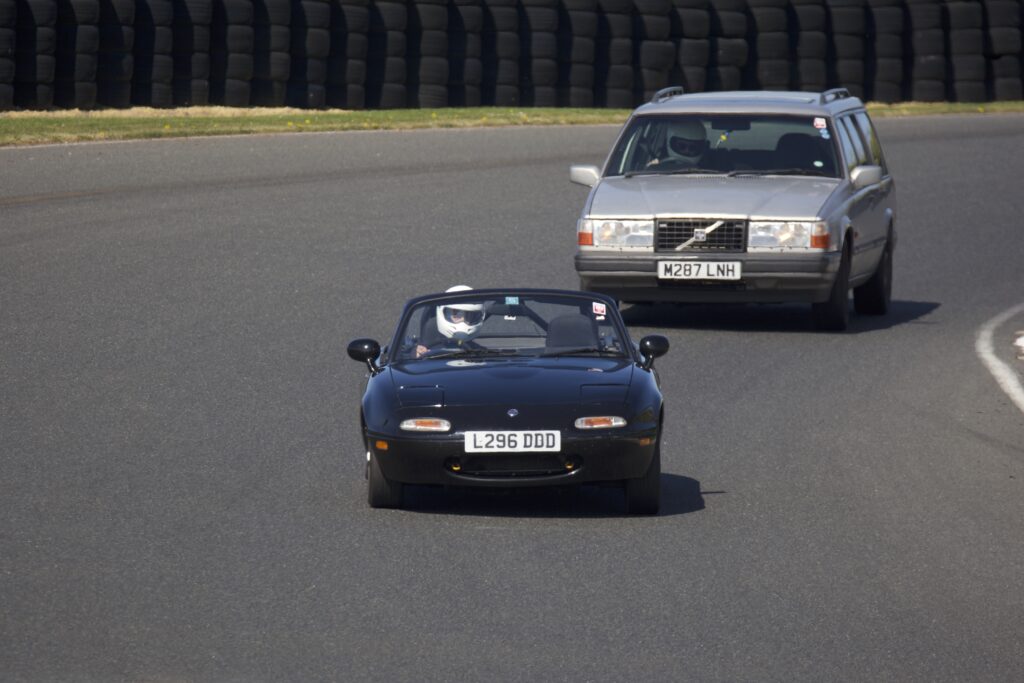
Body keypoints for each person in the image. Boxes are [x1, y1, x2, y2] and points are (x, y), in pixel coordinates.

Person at [415, 285, 486, 358]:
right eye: (456, 313)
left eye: (470, 316)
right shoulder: (422, 351)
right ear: (443, 313)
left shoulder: (481, 353)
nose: (463, 321)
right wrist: (416, 355)